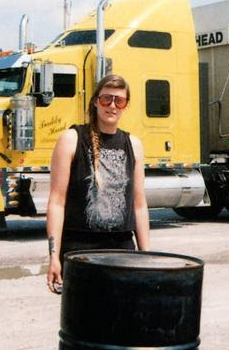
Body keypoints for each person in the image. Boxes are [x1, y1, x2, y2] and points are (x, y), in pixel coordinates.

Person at [46, 73, 150, 293]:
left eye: (119, 101)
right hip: (80, 251)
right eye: (106, 99)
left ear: (125, 106)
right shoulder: (72, 139)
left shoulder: (133, 144)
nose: (112, 105)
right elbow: (56, 202)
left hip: (123, 250)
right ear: (95, 101)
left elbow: (139, 205)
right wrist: (53, 257)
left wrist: (147, 256)